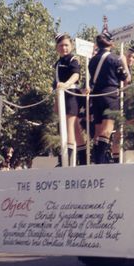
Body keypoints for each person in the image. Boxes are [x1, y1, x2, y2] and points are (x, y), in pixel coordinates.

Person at [88, 31, 129, 164]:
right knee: (107, 129)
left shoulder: (92, 60)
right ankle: (100, 160)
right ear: (111, 43)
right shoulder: (115, 59)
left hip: (96, 95)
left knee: (98, 130)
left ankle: (96, 158)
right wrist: (125, 63)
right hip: (110, 95)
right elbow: (126, 77)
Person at [53, 33, 87, 166]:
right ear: (57, 47)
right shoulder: (58, 62)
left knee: (69, 128)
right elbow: (56, 84)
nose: (64, 48)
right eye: (61, 45)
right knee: (76, 130)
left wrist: (66, 84)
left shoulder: (73, 59)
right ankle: (83, 160)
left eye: (66, 45)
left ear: (71, 46)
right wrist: (56, 101)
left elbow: (76, 75)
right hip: (62, 94)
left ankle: (66, 162)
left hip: (71, 94)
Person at [111, 45, 134, 163]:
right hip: (117, 101)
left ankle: (124, 156)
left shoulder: (130, 68)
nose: (131, 59)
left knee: (127, 131)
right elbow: (126, 80)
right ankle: (116, 158)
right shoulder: (121, 64)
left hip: (127, 103)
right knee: (118, 131)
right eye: (129, 56)